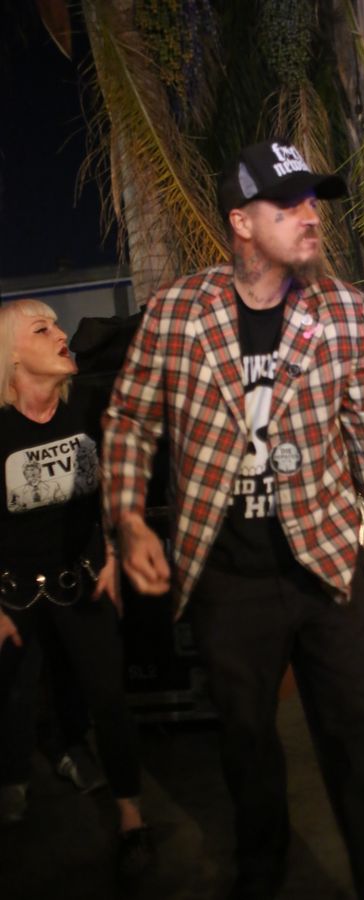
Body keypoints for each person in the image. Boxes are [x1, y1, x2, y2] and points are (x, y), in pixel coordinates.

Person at [102, 139, 364, 900]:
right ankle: (263, 876)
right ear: (242, 222)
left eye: (313, 201)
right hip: (227, 577)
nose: (310, 216)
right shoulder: (178, 313)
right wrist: (128, 518)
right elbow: (128, 418)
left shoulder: (344, 310)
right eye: (288, 204)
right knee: (248, 745)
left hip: (328, 565)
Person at [0, 299, 152, 878]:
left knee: (106, 698)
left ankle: (131, 816)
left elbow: (115, 489)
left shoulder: (88, 408)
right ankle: (15, 776)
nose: (61, 333)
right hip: (12, 592)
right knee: (14, 694)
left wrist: (110, 548)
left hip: (82, 580)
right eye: (42, 329)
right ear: (11, 357)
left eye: (56, 324)